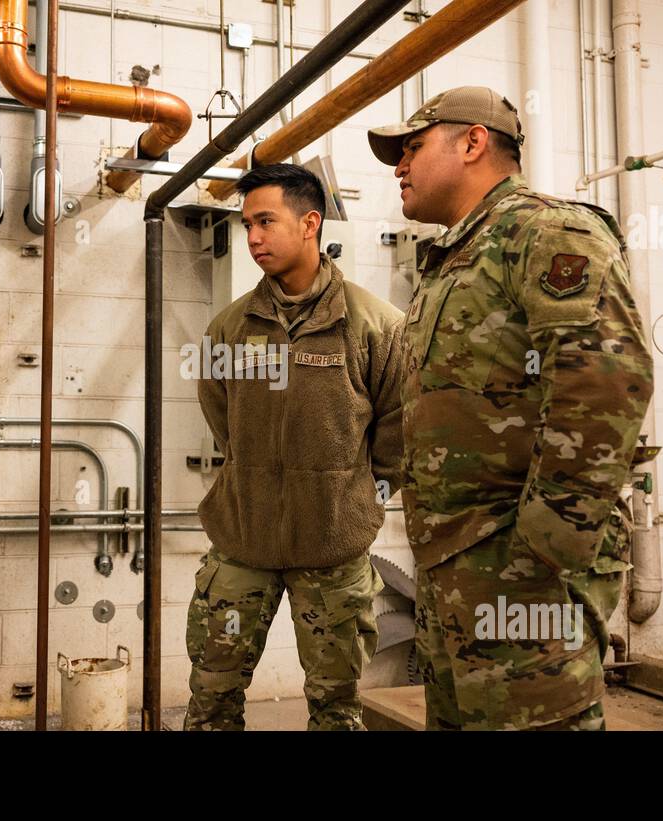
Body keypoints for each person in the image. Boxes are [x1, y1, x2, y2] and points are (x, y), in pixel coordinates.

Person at [367, 86, 654, 730]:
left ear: (473, 142)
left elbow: (605, 380)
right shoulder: (453, 259)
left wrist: (546, 546)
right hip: (455, 567)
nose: (399, 166)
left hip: (521, 571)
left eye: (412, 147)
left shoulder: (545, 230)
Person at [184, 163, 405, 730]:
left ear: (310, 222)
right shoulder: (230, 329)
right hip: (242, 541)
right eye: (246, 224)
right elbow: (222, 420)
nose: (253, 237)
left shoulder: (374, 325)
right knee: (212, 695)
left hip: (333, 546)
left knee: (336, 706)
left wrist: (356, 495)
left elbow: (398, 429)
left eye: (265, 221)